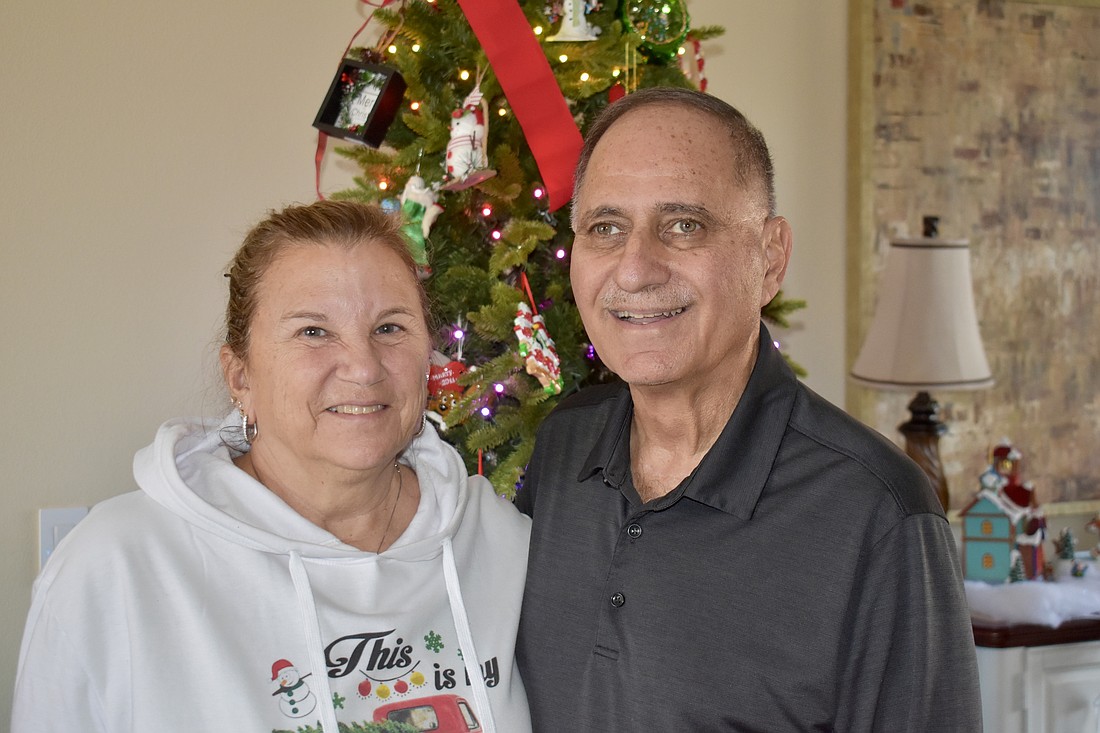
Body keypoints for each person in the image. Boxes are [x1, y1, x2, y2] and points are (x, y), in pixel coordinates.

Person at [514, 86, 982, 731]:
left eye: (684, 225)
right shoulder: (563, 447)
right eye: (606, 228)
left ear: (769, 258)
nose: (636, 269)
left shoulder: (877, 513)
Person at [13, 200, 532, 732]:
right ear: (241, 377)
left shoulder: (498, 543)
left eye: (390, 328)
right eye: (313, 331)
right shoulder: (118, 568)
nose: (363, 366)